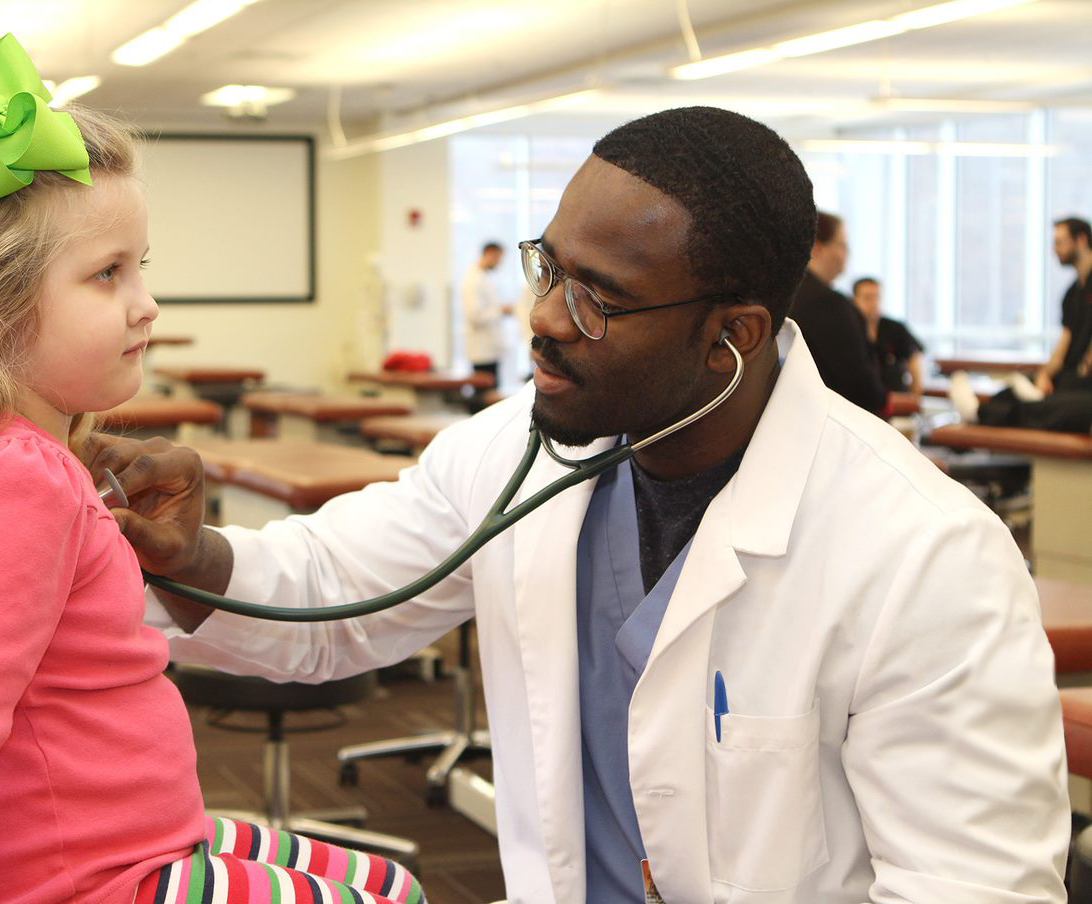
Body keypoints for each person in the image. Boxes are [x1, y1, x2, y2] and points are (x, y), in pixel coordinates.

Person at [90, 106, 1067, 904]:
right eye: (548, 267)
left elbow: (969, 885)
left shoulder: (924, 556)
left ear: (732, 335)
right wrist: (195, 555)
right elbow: (336, 594)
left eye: (599, 297)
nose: (545, 319)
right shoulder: (515, 446)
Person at [0, 35, 423, 904]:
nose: (145, 304)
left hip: (126, 839)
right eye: (106, 275)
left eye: (140, 267)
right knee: (393, 895)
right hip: (96, 876)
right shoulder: (20, 484)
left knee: (377, 875)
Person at [952, 216, 1092, 432]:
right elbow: (1065, 342)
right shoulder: (1072, 294)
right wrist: (1046, 374)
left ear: (1081, 240)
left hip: (1085, 383)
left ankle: (980, 414)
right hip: (1071, 377)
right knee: (1015, 388)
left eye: (1060, 241)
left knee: (1054, 406)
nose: (1055, 249)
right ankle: (980, 410)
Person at [787, 213, 887, 414]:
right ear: (817, 247)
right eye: (842, 245)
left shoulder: (784, 292)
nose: (847, 254)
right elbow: (860, 385)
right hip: (829, 419)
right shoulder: (828, 304)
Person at [852, 276, 925, 396]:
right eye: (868, 298)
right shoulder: (850, 328)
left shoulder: (895, 328)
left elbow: (914, 359)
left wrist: (915, 397)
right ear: (855, 299)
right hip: (860, 399)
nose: (874, 303)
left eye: (877, 297)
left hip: (896, 397)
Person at [462, 241, 515, 384]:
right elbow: (475, 316)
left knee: (492, 389)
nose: (499, 263)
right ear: (490, 254)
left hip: (490, 349)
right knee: (485, 393)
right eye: (498, 258)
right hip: (482, 350)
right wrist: (501, 310)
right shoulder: (474, 279)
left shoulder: (484, 277)